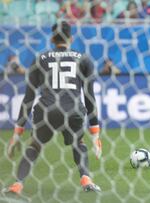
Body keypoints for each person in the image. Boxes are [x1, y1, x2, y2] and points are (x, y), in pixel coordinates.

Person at [3, 21, 102, 195]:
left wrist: (17, 133)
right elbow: (89, 97)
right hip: (73, 111)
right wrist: (95, 133)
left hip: (46, 110)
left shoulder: (40, 58)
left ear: (51, 39)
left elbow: (28, 98)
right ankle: (86, 179)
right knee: (79, 143)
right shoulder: (83, 59)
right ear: (70, 38)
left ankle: (17, 184)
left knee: (35, 145)